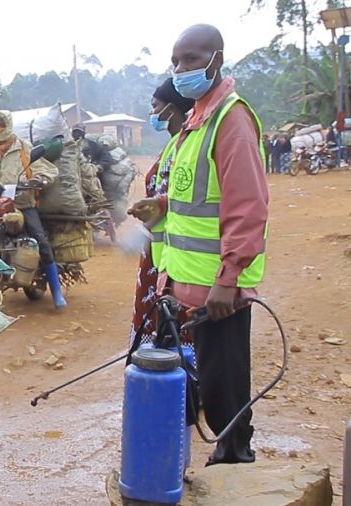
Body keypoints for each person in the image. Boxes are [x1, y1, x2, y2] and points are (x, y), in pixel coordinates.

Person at [131, 24, 268, 466]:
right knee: (203, 383)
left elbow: (246, 207)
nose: (181, 68)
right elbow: (199, 195)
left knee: (224, 390)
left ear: (217, 60)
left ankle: (234, 463)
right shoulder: (196, 120)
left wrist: (228, 280)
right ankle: (216, 458)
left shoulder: (231, 119)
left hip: (217, 292)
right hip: (183, 284)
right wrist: (162, 204)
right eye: (176, 61)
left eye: (191, 59)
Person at [0, 110, 67, 308]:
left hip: (22, 203)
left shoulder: (23, 148)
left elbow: (47, 170)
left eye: (0, 125)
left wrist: (39, 179)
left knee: (41, 241)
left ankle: (57, 292)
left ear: (8, 125)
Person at [126, 77, 194, 352]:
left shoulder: (184, 145)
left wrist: (156, 207)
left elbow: (181, 196)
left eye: (155, 107)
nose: (152, 113)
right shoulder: (171, 145)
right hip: (158, 249)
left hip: (172, 253)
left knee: (169, 324)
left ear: (171, 109)